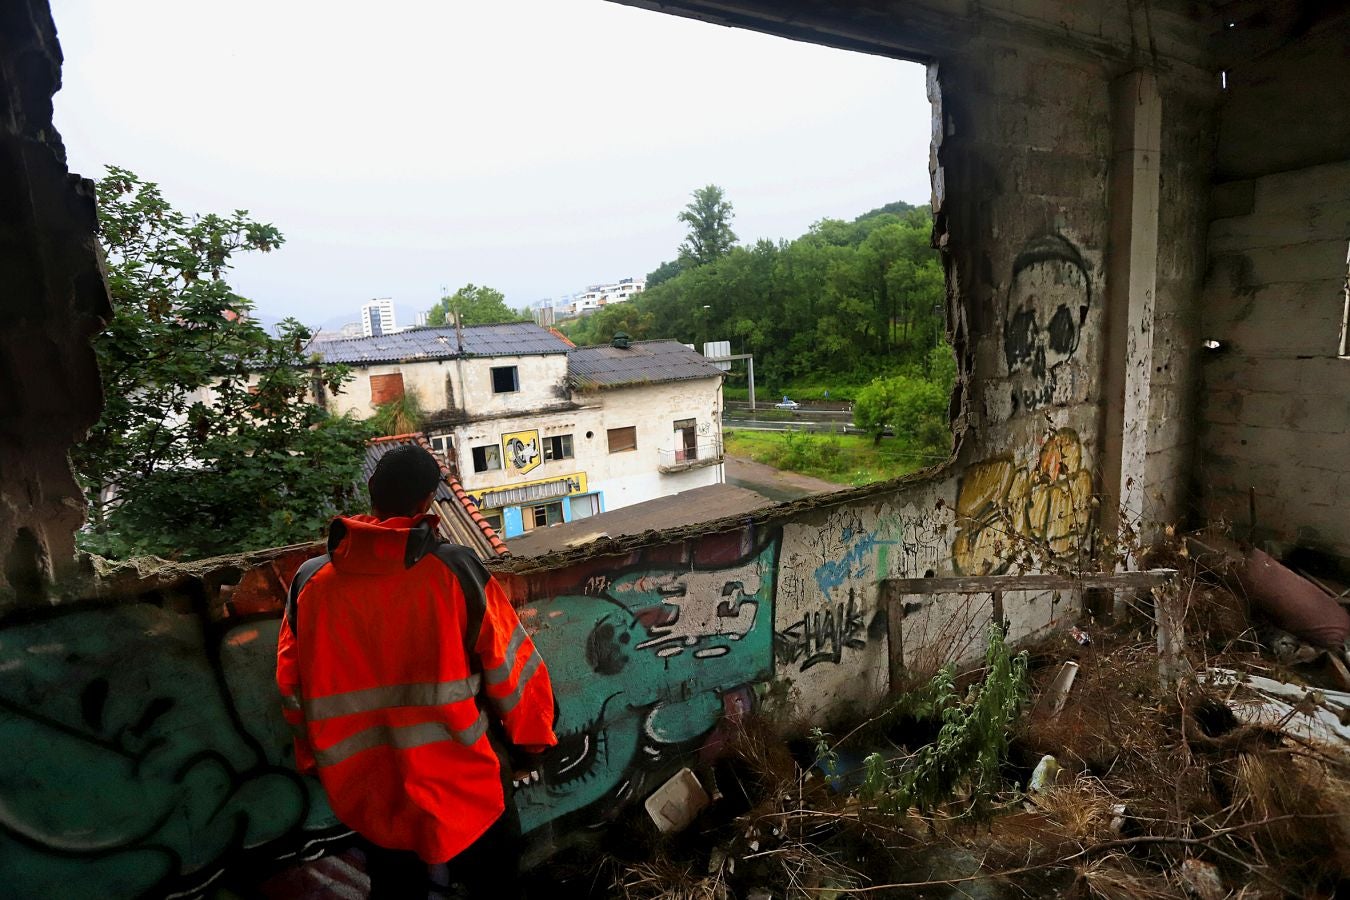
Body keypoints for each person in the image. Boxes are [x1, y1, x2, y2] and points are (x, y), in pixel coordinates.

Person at [276, 444, 557, 899]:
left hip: (370, 792)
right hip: (465, 785)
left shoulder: (310, 583)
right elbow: (514, 667)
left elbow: (291, 688)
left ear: (371, 493)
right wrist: (534, 744)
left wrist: (314, 761)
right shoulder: (454, 570)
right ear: (428, 502)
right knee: (496, 885)